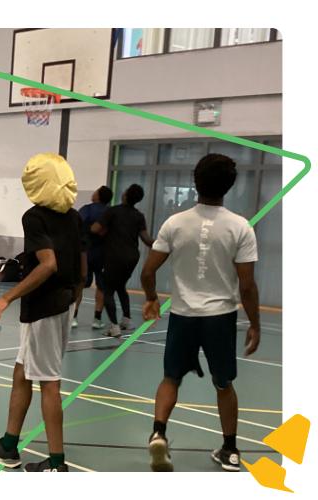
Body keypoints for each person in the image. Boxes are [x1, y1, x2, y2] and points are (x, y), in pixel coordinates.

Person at [140, 154, 260, 473]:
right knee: (224, 384)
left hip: (183, 314)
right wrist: (256, 325)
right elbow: (247, 286)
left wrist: (151, 298)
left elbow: (148, 271)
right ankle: (230, 450)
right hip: (220, 317)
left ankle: (159, 433)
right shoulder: (240, 227)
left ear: (195, 182)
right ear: (230, 186)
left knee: (171, 378)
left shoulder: (174, 223)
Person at [0, 153, 86, 472]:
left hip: (44, 308)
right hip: (60, 304)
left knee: (49, 382)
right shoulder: (73, 217)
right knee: (21, 373)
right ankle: (9, 445)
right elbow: (79, 265)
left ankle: (56, 463)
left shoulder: (34, 216)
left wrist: (5, 298)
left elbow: (49, 264)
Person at [91, 184, 154, 338]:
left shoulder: (112, 211)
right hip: (132, 257)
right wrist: (163, 245)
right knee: (120, 286)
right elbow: (146, 239)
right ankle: (127, 320)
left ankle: (114, 327)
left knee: (107, 290)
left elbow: (95, 229)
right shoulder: (138, 216)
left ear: (125, 195)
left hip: (115, 256)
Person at [73, 186, 113, 329]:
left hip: (86, 253)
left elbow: (75, 225)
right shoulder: (111, 212)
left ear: (98, 195)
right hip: (104, 254)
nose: (93, 192)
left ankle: (74, 317)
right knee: (101, 287)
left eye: (95, 191)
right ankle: (97, 319)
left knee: (80, 284)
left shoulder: (87, 209)